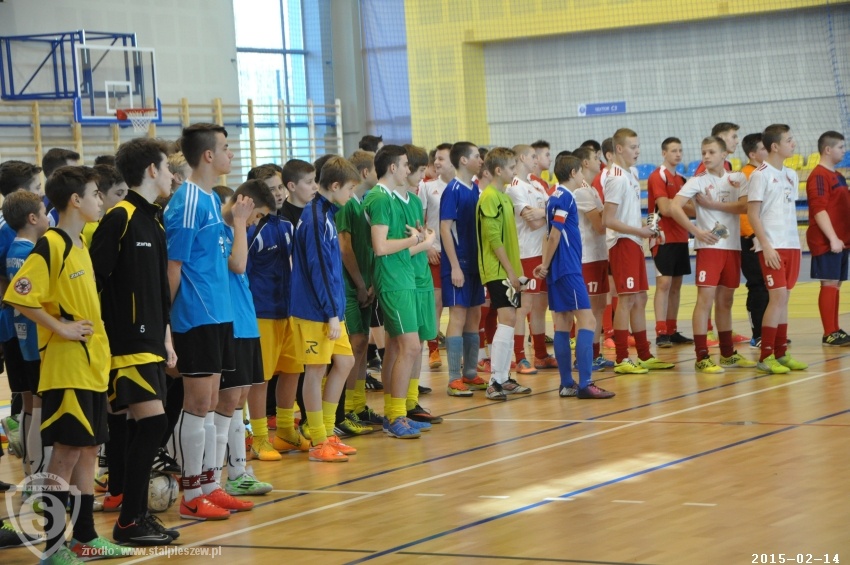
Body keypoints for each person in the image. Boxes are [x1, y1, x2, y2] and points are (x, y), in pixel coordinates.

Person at [5, 166, 133, 563]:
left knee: (89, 449)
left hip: (92, 366)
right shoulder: (52, 244)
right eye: (95, 194)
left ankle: (86, 537)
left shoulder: (79, 244)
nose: (101, 200)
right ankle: (54, 547)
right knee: (66, 453)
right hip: (67, 368)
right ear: (76, 200)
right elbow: (19, 296)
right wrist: (60, 327)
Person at [89, 137, 179, 545]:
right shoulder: (119, 217)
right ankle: (129, 519)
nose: (172, 175)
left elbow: (158, 290)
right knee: (153, 423)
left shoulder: (154, 220)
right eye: (167, 167)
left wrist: (167, 337)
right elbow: (95, 280)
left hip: (152, 342)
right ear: (151, 170)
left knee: (139, 425)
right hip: (125, 343)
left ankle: (135, 516)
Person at [163, 123, 235, 521]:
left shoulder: (210, 198)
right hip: (196, 315)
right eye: (225, 147)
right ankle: (191, 493)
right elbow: (173, 266)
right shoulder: (187, 200)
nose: (230, 154)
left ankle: (209, 485)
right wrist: (165, 322)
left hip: (219, 313)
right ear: (208, 155)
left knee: (209, 404)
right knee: (195, 404)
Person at [667, 136, 758, 373]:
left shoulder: (737, 178)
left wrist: (712, 205)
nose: (706, 156)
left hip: (732, 247)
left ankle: (727, 355)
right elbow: (674, 206)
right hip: (709, 249)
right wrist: (696, 230)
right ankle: (701, 357)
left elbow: (744, 207)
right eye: (703, 152)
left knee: (726, 301)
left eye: (711, 152)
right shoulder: (698, 180)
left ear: (724, 155)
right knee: (705, 300)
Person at [289, 156, 359, 459]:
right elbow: (318, 269)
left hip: (331, 309)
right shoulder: (316, 218)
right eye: (350, 189)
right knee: (316, 370)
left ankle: (328, 431)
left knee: (345, 362)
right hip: (314, 311)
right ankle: (319, 440)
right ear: (335, 185)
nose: (352, 195)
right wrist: (331, 313)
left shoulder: (327, 214)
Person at [363, 145, 430, 438]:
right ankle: (396, 416)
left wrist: (417, 239)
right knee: (410, 347)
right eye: (405, 164)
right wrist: (416, 240)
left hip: (402, 277)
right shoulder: (379, 198)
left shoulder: (391, 198)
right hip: (392, 280)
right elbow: (380, 247)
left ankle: (395, 412)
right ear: (392, 167)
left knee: (395, 347)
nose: (408, 169)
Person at [535, 154, 615, 399]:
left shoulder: (553, 197)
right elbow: (555, 234)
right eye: (580, 172)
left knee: (563, 322)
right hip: (568, 268)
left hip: (559, 268)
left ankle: (567, 384)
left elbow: (549, 234)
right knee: (588, 321)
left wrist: (546, 263)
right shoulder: (566, 196)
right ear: (572, 173)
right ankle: (586, 383)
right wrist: (544, 264)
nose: (582, 176)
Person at [243, 167, 309, 461]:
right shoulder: (252, 229)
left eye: (280, 186)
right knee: (261, 378)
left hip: (288, 311)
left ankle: (285, 430)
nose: (279, 193)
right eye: (271, 189)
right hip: (262, 314)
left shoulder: (286, 224)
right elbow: (241, 272)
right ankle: (258, 438)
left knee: (293, 370)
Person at [214, 180, 274, 500]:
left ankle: (238, 472)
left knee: (241, 398)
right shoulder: (219, 229)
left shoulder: (238, 230)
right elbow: (238, 265)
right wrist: (239, 222)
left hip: (247, 322)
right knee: (227, 399)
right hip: (230, 324)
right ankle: (212, 478)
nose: (255, 222)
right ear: (244, 203)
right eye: (257, 214)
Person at [602, 128, 675, 374]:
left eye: (638, 146)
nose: (638, 151)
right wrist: (638, 231)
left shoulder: (631, 173)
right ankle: (622, 358)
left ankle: (644, 354)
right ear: (619, 149)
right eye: (633, 147)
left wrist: (650, 229)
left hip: (633, 241)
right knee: (627, 299)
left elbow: (630, 214)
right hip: (622, 243)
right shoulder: (615, 178)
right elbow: (608, 220)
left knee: (640, 298)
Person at [747, 124, 807, 374]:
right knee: (777, 298)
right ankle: (766, 356)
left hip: (792, 245)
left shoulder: (791, 174)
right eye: (789, 140)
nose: (793, 144)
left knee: (784, 299)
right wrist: (766, 246)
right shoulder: (760, 175)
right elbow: (753, 214)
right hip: (772, 247)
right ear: (775, 146)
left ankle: (781, 354)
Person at [476, 147, 532, 400]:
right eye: (511, 167)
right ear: (498, 170)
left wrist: (516, 270)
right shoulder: (489, 197)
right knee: (507, 318)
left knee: (510, 320)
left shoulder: (504, 197)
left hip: (509, 269)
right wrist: (510, 270)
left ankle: (504, 377)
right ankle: (494, 381)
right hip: (498, 269)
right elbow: (492, 237)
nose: (514, 171)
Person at [1, 191, 49, 488]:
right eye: (44, 213)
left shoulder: (18, 249)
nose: (48, 218)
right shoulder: (27, 253)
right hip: (33, 341)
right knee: (38, 406)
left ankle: (32, 475)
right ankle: (36, 477)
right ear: (32, 218)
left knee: (33, 405)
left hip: (25, 339)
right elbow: (26, 300)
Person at [336, 151, 382, 433]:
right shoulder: (345, 205)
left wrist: (371, 280)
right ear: (365, 172)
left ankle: (357, 405)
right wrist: (360, 283)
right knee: (352, 346)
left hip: (364, 284)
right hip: (350, 286)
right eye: (377, 169)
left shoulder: (360, 202)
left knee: (362, 344)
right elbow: (345, 247)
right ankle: (341, 410)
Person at [440, 142, 489, 396]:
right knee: (457, 317)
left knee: (474, 316)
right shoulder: (453, 190)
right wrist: (455, 267)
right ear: (463, 160)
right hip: (458, 264)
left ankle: (470, 373)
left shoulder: (476, 188)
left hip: (476, 265)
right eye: (477, 156)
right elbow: (445, 228)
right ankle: (453, 378)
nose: (481, 160)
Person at [398, 144, 442, 423]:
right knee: (404, 346)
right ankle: (396, 407)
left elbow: (419, 235)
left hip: (421, 276)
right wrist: (425, 243)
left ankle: (411, 401)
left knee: (419, 343)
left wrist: (424, 239)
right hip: (403, 280)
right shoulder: (385, 200)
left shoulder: (414, 200)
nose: (425, 175)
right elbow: (392, 247)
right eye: (422, 169)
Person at [507, 145, 557, 375]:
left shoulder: (536, 184)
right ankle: (519, 357)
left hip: (543, 253)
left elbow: (550, 213)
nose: (537, 160)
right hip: (526, 253)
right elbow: (534, 222)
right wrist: (545, 213)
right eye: (533, 156)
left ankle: (540, 354)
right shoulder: (514, 187)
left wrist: (542, 212)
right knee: (523, 306)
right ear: (522, 158)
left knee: (540, 305)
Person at [647, 137, 693, 347]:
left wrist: (677, 205)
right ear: (664, 153)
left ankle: (672, 329)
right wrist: (679, 206)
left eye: (680, 150)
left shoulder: (682, 179)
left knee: (676, 285)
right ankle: (661, 332)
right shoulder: (658, 176)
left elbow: (694, 210)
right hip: (663, 236)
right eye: (674, 150)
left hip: (681, 236)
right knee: (664, 284)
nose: (678, 154)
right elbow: (665, 209)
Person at [571, 146, 614, 371]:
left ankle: (594, 355)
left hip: (599, 255)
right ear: (585, 163)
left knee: (599, 307)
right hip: (586, 258)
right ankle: (582, 358)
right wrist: (616, 205)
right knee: (586, 311)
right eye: (596, 158)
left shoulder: (592, 190)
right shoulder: (581, 191)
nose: (601, 161)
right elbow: (599, 226)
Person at [806, 131, 850, 346]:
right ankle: (829, 332)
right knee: (829, 283)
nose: (844, 151)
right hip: (827, 240)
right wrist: (832, 238)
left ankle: (835, 329)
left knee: (836, 284)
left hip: (842, 240)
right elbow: (818, 209)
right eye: (841, 147)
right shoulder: (819, 175)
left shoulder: (838, 176)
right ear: (828, 149)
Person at [419, 143, 454, 369]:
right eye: (436, 159)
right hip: (436, 254)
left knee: (461, 306)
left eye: (442, 158)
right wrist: (427, 246)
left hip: (458, 255)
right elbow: (419, 221)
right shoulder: (427, 187)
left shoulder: (466, 187)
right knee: (436, 303)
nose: (437, 162)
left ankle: (461, 352)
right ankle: (433, 350)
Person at [739, 133, 770, 347]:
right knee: (757, 286)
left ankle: (770, 331)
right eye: (763, 149)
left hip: (765, 239)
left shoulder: (765, 173)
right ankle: (757, 334)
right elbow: (745, 212)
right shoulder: (747, 175)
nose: (767, 152)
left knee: (770, 287)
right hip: (751, 241)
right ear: (752, 154)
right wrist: (754, 236)